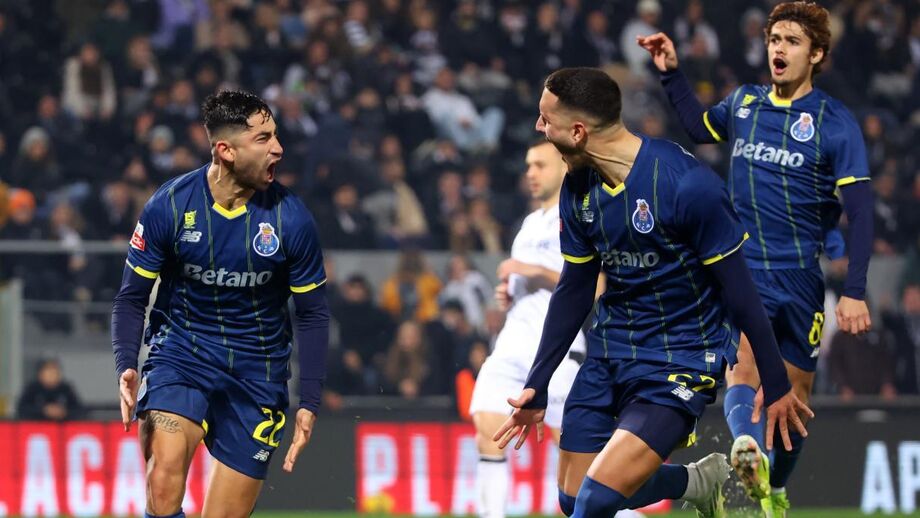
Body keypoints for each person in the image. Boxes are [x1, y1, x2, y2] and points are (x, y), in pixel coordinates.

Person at [494, 67, 811, 518]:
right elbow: (574, 291)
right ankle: (697, 481)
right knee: (571, 497)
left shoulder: (687, 185)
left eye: (546, 120)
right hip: (610, 353)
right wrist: (537, 384)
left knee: (595, 502)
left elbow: (742, 295)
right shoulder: (579, 188)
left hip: (679, 360)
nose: (539, 128)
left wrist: (776, 382)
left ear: (579, 131)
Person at [638, 2, 873, 515]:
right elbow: (699, 126)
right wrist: (673, 74)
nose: (778, 49)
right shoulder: (745, 103)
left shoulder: (836, 124)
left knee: (794, 403)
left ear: (816, 54)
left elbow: (861, 210)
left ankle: (775, 488)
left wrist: (854, 288)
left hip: (802, 280)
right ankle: (745, 450)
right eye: (773, 39)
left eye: (791, 41)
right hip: (742, 270)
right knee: (743, 372)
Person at [111, 90, 330, 518]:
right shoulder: (170, 206)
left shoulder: (292, 219)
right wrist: (126, 363)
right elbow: (132, 296)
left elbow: (313, 313)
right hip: (182, 355)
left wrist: (310, 400)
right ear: (225, 150)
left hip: (258, 371)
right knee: (164, 471)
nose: (278, 148)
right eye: (264, 138)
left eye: (276, 135)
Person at [469, 139, 591, 518]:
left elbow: (597, 285)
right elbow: (527, 284)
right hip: (511, 345)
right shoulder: (528, 224)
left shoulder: (579, 214)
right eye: (527, 166)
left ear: (563, 166)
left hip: (556, 350)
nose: (530, 174)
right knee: (487, 426)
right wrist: (511, 292)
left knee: (576, 459)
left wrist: (533, 272)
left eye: (539, 165)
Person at [16, 358, 84, 421]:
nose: (52, 374)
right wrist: (43, 411)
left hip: (62, 428)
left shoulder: (65, 388)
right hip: (37, 428)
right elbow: (22, 409)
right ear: (40, 374)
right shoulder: (32, 388)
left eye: (55, 370)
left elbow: (78, 409)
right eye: (48, 370)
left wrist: (63, 411)